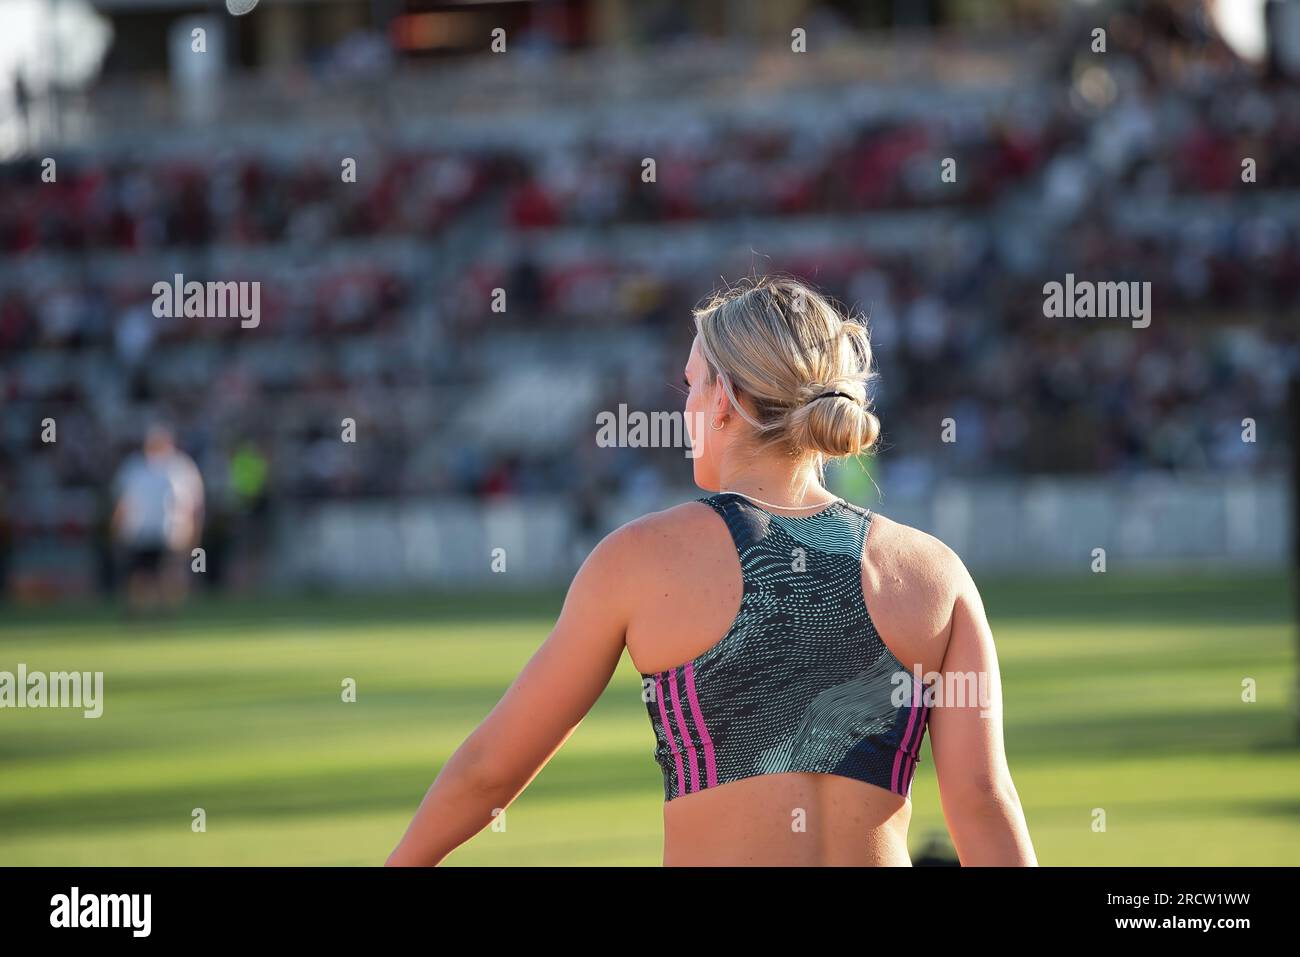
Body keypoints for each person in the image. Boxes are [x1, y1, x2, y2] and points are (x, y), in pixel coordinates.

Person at [387, 276, 1036, 866]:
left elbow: (489, 771)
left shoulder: (639, 559)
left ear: (725, 399)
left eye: (692, 383)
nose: (685, 408)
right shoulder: (933, 573)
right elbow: (982, 801)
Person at [111, 425, 205, 614]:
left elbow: (194, 504)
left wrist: (194, 533)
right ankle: (137, 614)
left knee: (169, 574)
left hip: (170, 532)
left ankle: (167, 614)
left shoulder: (181, 467)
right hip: (140, 531)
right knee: (139, 575)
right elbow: (123, 503)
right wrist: (117, 530)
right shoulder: (134, 467)